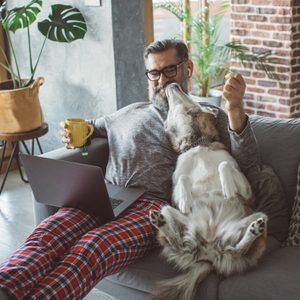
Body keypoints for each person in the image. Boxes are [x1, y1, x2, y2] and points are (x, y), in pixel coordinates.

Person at [0, 39, 287, 299]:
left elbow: (248, 163)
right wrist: (73, 132)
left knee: (94, 246)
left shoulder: (204, 115)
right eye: (154, 73)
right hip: (102, 195)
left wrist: (236, 110)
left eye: (170, 70)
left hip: (149, 207)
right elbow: (89, 128)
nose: (161, 80)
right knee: (46, 234)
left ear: (188, 68)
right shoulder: (127, 112)